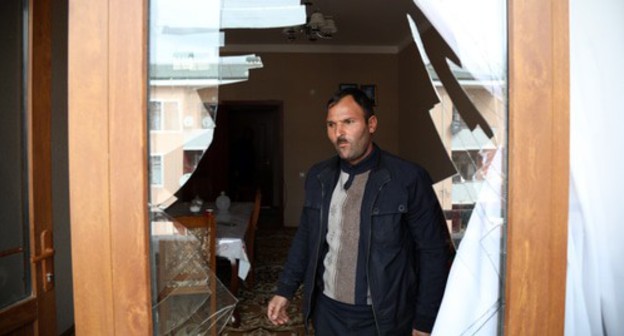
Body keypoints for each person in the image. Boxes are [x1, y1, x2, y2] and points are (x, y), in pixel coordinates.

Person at [267, 88, 453, 335]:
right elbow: (305, 238)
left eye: (348, 122)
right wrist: (285, 289)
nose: (338, 133)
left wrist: (425, 320)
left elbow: (433, 253)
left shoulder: (408, 179)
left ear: (371, 124)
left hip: (383, 318)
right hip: (327, 313)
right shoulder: (319, 177)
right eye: (331, 125)